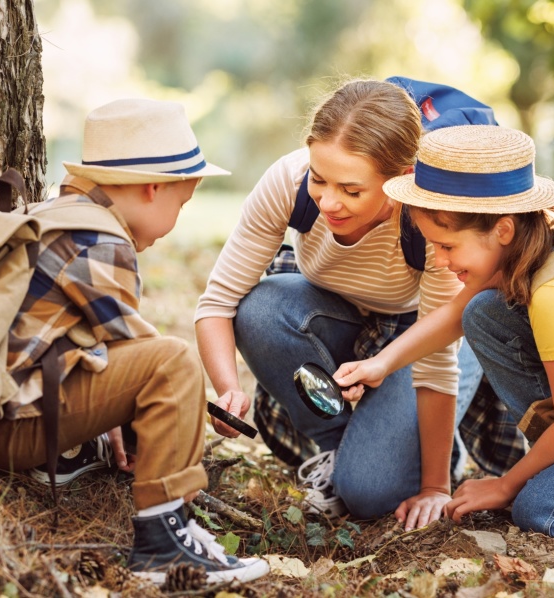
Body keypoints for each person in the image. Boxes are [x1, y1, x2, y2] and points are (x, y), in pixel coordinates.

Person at [0, 99, 269, 584]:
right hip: (10, 428)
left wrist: (110, 420)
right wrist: (191, 406)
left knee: (159, 363)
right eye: (181, 204)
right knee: (174, 361)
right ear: (152, 189)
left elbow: (100, 348)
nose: (178, 219)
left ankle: (70, 456)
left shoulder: (58, 214)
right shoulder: (103, 242)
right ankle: (166, 546)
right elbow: (144, 358)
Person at [334, 124, 554, 540]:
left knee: (543, 512)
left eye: (447, 246)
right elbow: (454, 315)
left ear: (502, 229)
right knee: (484, 313)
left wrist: (506, 485)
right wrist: (380, 363)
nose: (440, 260)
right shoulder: (528, 244)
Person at [194, 79, 480, 530]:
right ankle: (342, 448)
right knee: (261, 308)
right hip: (337, 317)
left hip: (421, 336)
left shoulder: (428, 216)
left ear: (401, 180)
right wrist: (227, 389)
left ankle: (409, 450)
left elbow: (438, 361)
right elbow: (218, 303)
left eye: (351, 190)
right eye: (319, 178)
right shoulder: (287, 182)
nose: (328, 202)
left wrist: (434, 486)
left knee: (368, 494)